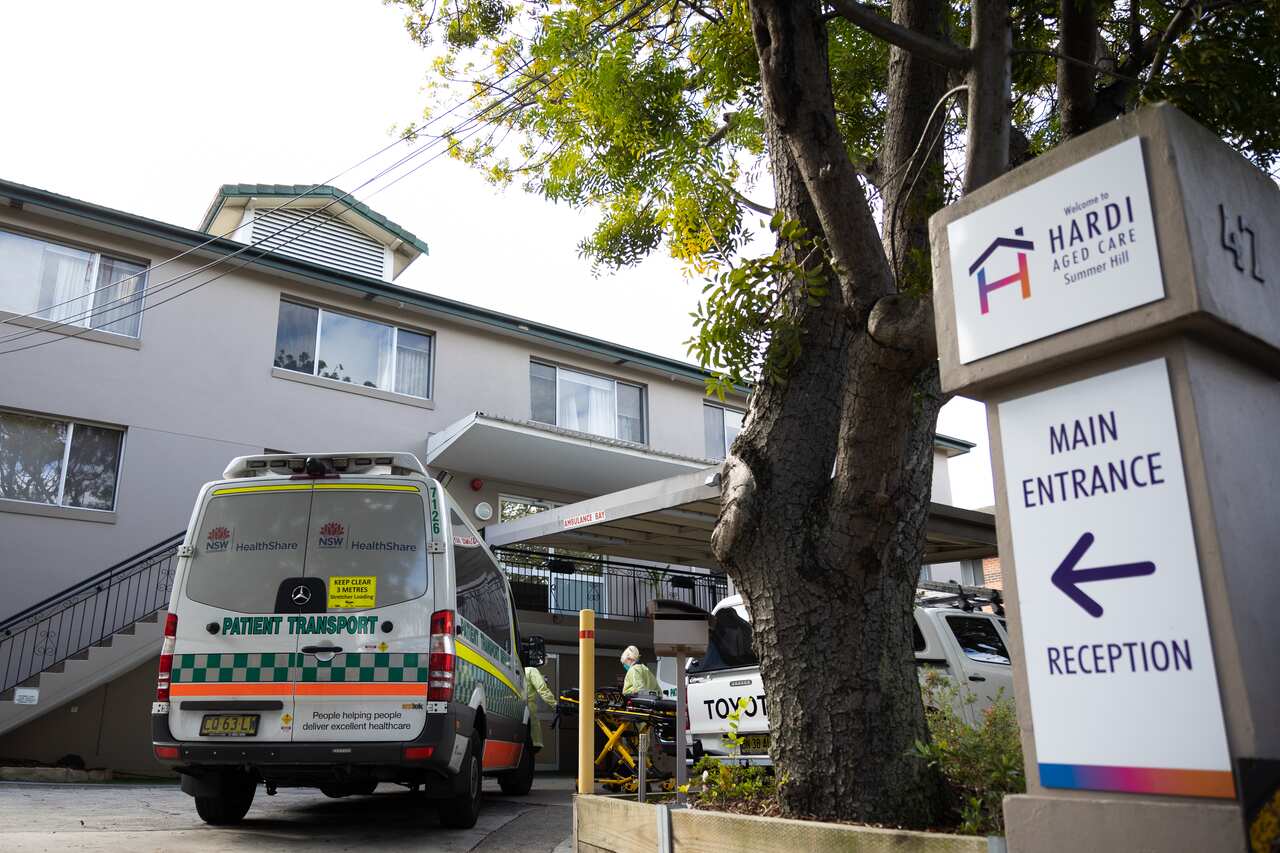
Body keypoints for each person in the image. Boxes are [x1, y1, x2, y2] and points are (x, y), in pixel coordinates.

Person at [524, 665, 556, 751]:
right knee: (532, 747)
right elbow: (542, 689)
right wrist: (555, 705)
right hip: (529, 714)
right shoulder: (531, 670)